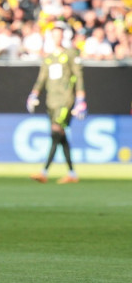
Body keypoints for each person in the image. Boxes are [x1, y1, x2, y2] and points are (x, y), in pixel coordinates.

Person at [26, 23, 86, 184]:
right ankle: (72, 174)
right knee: (61, 137)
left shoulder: (71, 54)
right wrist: (33, 94)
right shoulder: (49, 57)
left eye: (59, 34)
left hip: (65, 100)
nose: (57, 38)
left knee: (55, 132)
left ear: (63, 36)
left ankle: (44, 171)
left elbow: (78, 76)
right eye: (54, 35)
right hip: (51, 101)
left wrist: (81, 99)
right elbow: (42, 78)